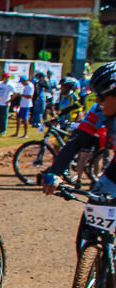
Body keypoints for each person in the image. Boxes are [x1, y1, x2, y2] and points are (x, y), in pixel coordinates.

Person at [41, 62, 116, 196]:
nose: (97, 100)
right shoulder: (98, 109)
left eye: (101, 95)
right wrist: (55, 172)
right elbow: (78, 139)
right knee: (96, 204)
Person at [0, 73, 16, 137]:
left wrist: (9, 100)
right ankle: (0, 128)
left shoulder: (9, 85)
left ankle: (3, 130)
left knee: (4, 118)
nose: (7, 79)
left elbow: (15, 93)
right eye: (6, 77)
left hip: (5, 104)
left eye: (8, 77)